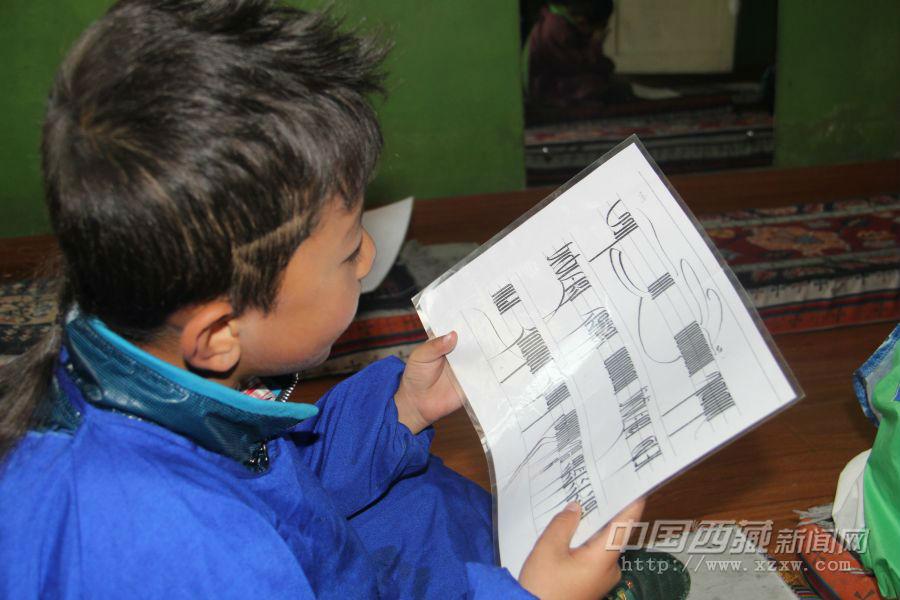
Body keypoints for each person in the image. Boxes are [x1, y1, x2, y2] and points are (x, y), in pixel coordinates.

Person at [0, 1, 642, 597]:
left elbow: (285, 477)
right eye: (347, 249)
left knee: (425, 502)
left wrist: (401, 410)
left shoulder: (154, 366)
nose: (368, 256)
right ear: (219, 335)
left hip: (311, 548)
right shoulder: (194, 557)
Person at [526, 0, 632, 111]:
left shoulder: (562, 21)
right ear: (582, 21)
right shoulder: (558, 28)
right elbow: (577, 65)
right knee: (595, 86)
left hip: (561, 77)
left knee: (614, 84)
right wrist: (596, 45)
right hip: (546, 86)